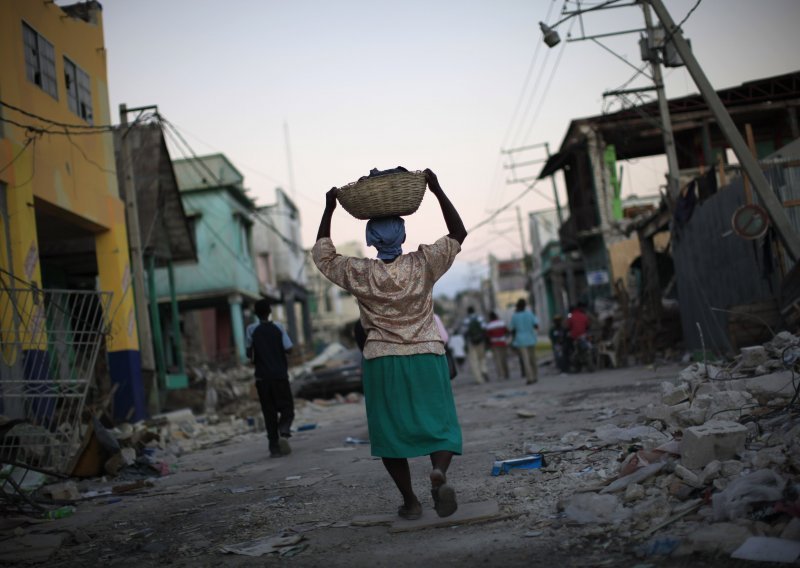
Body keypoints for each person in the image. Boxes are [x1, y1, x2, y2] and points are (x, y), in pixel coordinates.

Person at [312, 168, 467, 521]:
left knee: (389, 433)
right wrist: (437, 189)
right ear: (404, 233)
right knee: (440, 424)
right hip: (428, 353)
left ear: (370, 239)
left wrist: (329, 208)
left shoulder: (361, 273)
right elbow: (458, 233)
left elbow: (323, 256)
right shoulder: (425, 263)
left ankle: (411, 502)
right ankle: (439, 473)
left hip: (383, 359)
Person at [246, 299, 295, 458]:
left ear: (256, 314)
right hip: (280, 375)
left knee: (269, 412)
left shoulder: (251, 329)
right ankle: (284, 431)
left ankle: (274, 448)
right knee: (287, 408)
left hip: (262, 378)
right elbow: (289, 349)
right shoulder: (278, 327)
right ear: (270, 312)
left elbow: (249, 354)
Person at [509, 298, 540, 384]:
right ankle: (535, 376)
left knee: (525, 360)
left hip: (520, 339)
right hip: (531, 338)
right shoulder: (530, 314)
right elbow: (536, 325)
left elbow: (512, 329)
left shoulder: (514, 316)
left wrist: (512, 339)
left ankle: (529, 378)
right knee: (533, 359)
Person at [462, 306, 489, 383]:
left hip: (471, 342)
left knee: (474, 360)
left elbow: (464, 332)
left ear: (468, 312)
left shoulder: (466, 320)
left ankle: (479, 379)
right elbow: (484, 328)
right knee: (482, 358)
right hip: (480, 341)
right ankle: (484, 370)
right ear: (474, 311)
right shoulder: (479, 318)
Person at [485, 311, 510, 380]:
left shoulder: (489, 325)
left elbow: (487, 336)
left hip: (494, 344)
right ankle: (507, 373)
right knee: (504, 359)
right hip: (503, 342)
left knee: (497, 360)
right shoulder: (501, 323)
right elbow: (507, 331)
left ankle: (501, 375)